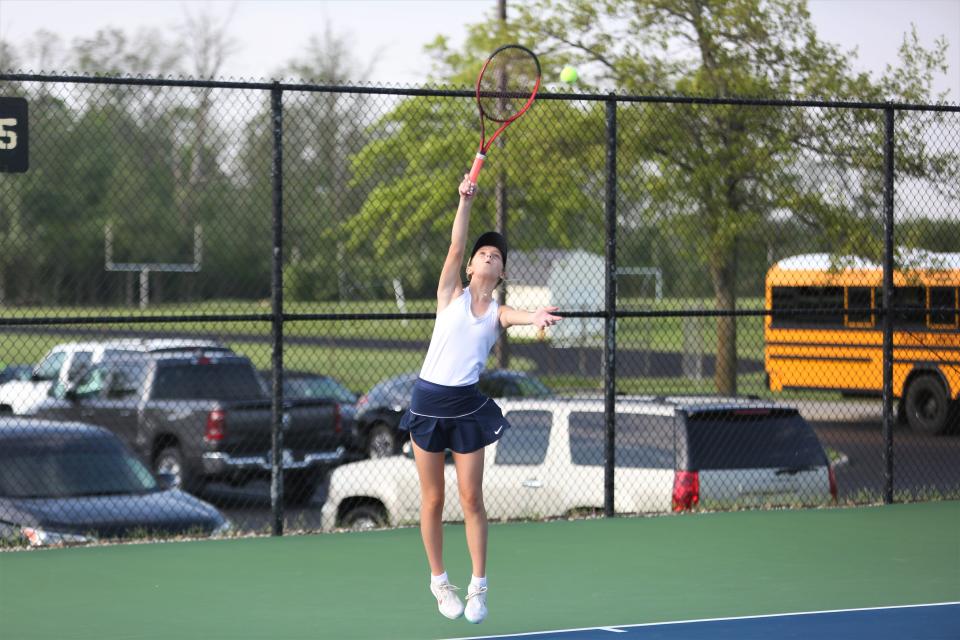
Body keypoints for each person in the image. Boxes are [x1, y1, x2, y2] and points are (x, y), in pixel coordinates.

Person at [398, 174, 561, 625]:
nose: (488, 257)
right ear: (470, 267)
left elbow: (522, 315)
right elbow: (455, 244)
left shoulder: (497, 313)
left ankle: (478, 588)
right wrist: (464, 202)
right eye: (482, 254)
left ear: (502, 272)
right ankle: (439, 583)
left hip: (466, 407)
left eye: (496, 256)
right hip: (427, 404)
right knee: (432, 500)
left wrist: (538, 317)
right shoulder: (450, 293)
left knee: (472, 498)